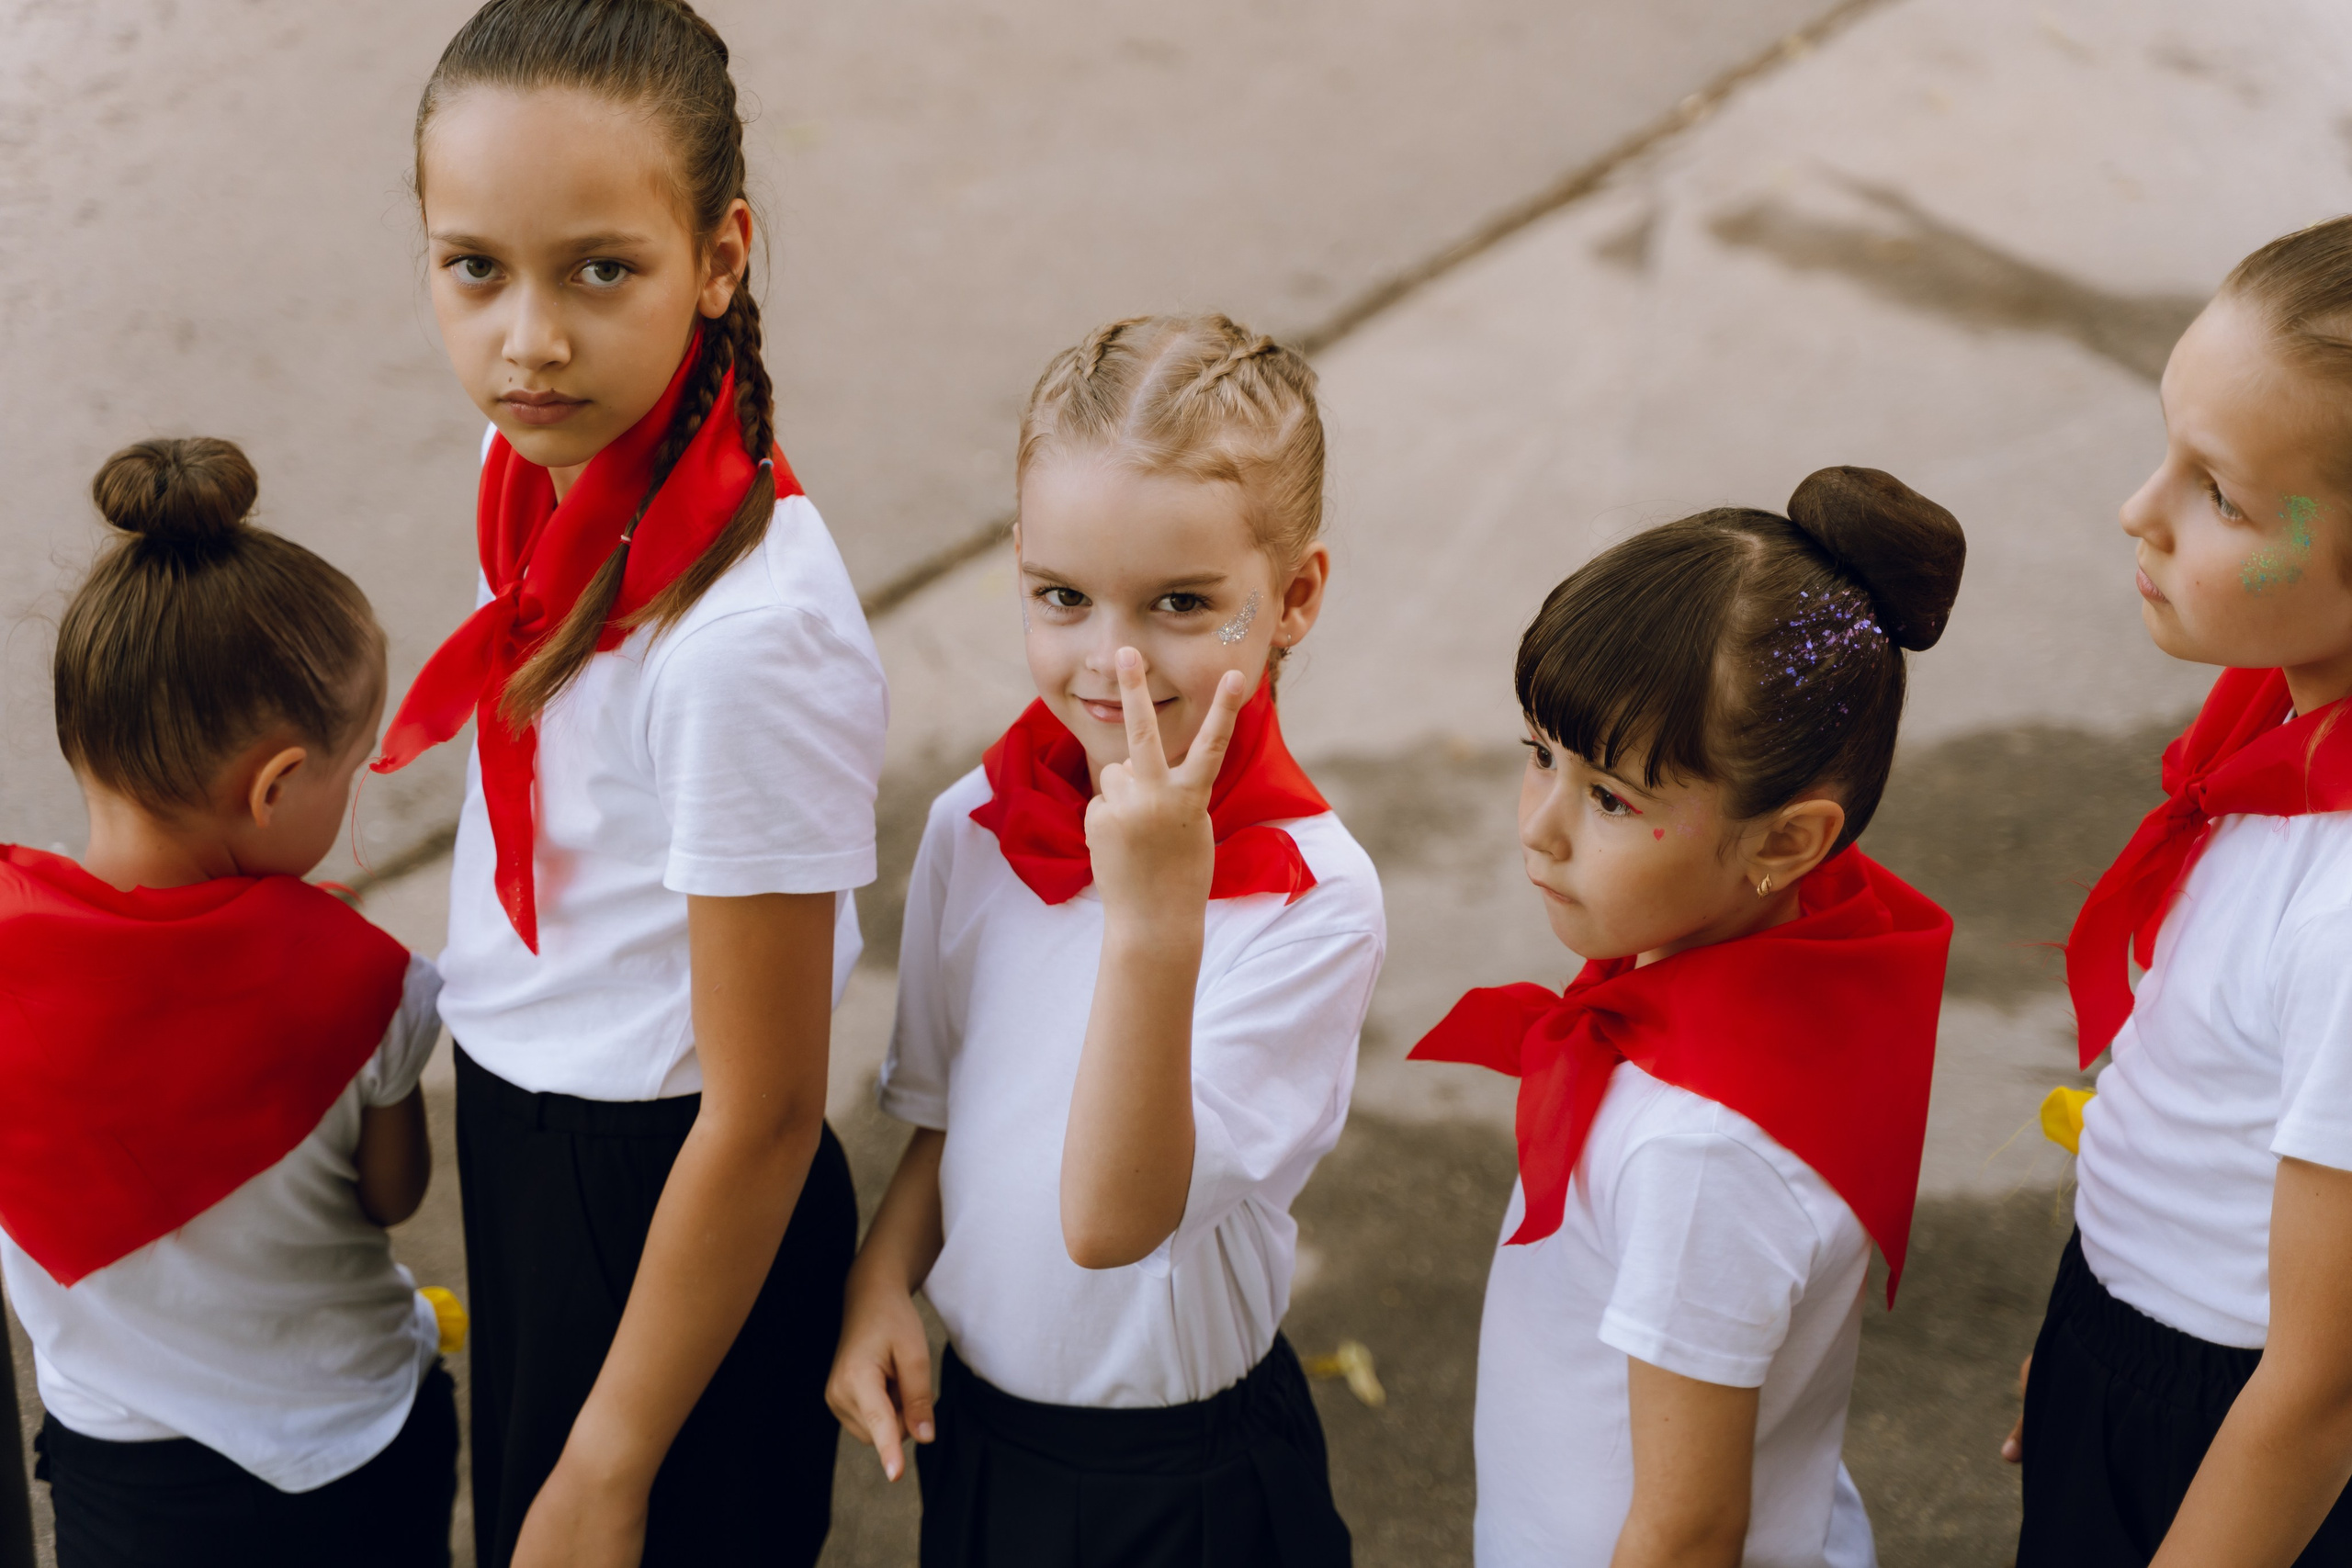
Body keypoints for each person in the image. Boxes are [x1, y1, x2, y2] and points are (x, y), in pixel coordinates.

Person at [369, 3, 888, 1564]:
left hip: (670, 1190)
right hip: (532, 1125)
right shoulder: (534, 451)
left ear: (721, 256)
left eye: (601, 269)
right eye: (478, 267)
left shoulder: (746, 648)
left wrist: (609, 1461)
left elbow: (773, 1103)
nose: (527, 338)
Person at [825, 314, 1383, 1568]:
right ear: (1018, 560)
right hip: (983, 1437)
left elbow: (1112, 1218)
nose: (1111, 656)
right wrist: (879, 1281)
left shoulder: (1312, 896)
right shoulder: (976, 824)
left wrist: (1149, 917)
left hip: (1185, 1481)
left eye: (1182, 602)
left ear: (1292, 596)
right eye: (1062, 596)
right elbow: (953, 1115)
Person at [1412, 470, 1966, 1568]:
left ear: (1783, 843)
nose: (1539, 829)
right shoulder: (1786, 987)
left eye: (1609, 799)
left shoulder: (1701, 1149)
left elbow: (1687, 1530)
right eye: (1539, 757)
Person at [0, 438, 454, 1567]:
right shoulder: (363, 980)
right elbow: (391, 1196)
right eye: (347, 777)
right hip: (348, 1445)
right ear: (275, 785)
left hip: (127, 1475)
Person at [2007, 216, 2352, 1566]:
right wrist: (2085, 1340)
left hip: (2243, 1424)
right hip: (2135, 1332)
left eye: (2219, 493)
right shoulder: (2273, 728)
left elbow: (2323, 1387)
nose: (2139, 509)